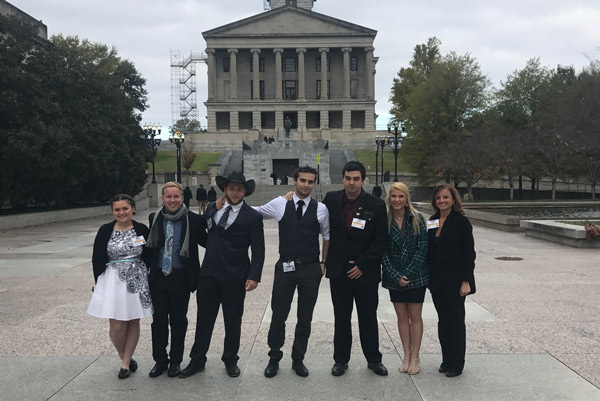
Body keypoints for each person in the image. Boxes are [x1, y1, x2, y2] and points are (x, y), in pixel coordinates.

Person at [180, 171, 265, 379]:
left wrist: (254, 276)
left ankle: (230, 359)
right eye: (231, 188)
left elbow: (259, 249)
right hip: (209, 274)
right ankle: (197, 359)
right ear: (224, 190)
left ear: (245, 192)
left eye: (239, 189)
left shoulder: (252, 216)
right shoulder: (212, 208)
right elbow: (205, 235)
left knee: (233, 321)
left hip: (235, 276)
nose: (235, 193)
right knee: (204, 320)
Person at [256, 166, 330, 378]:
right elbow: (256, 212)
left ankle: (298, 358)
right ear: (294, 182)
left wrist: (323, 263)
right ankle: (274, 357)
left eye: (310, 182)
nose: (306, 185)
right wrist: (227, 203)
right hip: (285, 267)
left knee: (304, 316)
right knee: (279, 314)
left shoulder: (321, 209)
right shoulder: (281, 203)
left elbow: (327, 236)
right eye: (303, 181)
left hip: (310, 268)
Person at [322, 161, 389, 377]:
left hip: (365, 271)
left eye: (356, 179)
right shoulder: (331, 200)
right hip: (339, 271)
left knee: (368, 316)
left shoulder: (376, 204)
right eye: (348, 178)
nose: (352, 182)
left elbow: (380, 239)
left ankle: (374, 359)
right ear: (343, 179)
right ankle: (341, 360)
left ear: (362, 180)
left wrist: (363, 264)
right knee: (341, 317)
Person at [145, 182, 207, 378]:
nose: (172, 200)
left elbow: (209, 242)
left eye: (176, 197)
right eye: (169, 197)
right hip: (158, 276)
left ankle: (175, 361)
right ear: (163, 198)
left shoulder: (194, 220)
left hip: (181, 277)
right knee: (159, 320)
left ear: (182, 197)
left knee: (179, 321)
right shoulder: (154, 217)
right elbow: (150, 247)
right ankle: (160, 360)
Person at [88, 194, 152, 379]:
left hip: (136, 280)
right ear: (113, 211)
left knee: (133, 320)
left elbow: (150, 252)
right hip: (112, 279)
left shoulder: (141, 229)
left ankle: (126, 363)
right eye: (117, 209)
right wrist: (97, 282)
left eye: (125, 208)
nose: (121, 212)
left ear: (132, 208)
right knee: (116, 325)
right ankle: (122, 355)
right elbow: (97, 257)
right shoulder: (105, 230)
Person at [427, 184, 476, 378]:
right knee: (443, 321)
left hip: (456, 282)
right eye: (438, 198)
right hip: (437, 281)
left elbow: (469, 254)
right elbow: (429, 251)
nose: (442, 201)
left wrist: (466, 281)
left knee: (456, 322)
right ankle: (446, 359)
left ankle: (457, 363)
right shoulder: (432, 220)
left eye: (445, 197)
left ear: (453, 199)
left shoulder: (462, 222)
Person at [381, 182, 428, 375]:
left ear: (406, 198)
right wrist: (396, 275)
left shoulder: (417, 218)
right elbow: (381, 251)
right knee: (402, 318)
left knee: (415, 317)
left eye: (401, 196)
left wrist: (408, 273)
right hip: (394, 277)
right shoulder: (384, 220)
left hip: (415, 276)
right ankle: (406, 355)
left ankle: (415, 356)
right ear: (389, 198)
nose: (397, 200)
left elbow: (423, 248)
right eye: (394, 196)